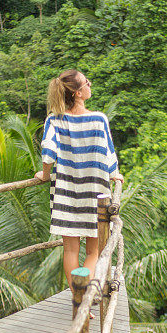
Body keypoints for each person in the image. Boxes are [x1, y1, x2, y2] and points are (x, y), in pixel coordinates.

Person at [34, 69, 123, 295]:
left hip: (66, 193)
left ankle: (78, 298)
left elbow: (48, 155)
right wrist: (115, 174)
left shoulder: (54, 120)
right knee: (95, 251)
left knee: (70, 251)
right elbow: (109, 153)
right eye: (86, 83)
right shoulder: (98, 119)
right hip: (95, 194)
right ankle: (88, 296)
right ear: (77, 93)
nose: (90, 85)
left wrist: (44, 175)